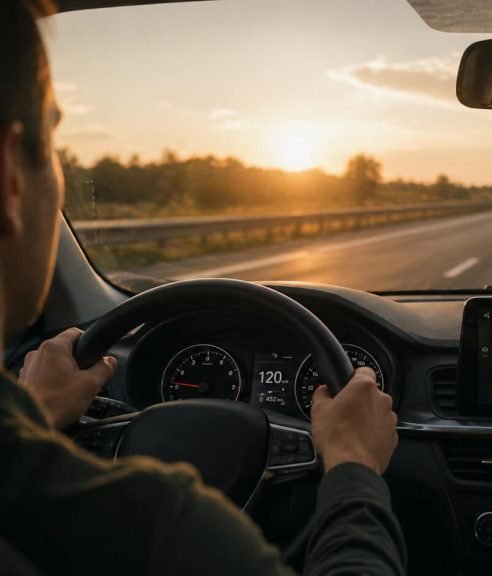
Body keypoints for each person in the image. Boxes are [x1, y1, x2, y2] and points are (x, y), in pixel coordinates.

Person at [0, 1, 405, 574]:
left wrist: (33, 415)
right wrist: (353, 464)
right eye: (56, 147)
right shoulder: (166, 531)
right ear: (10, 178)